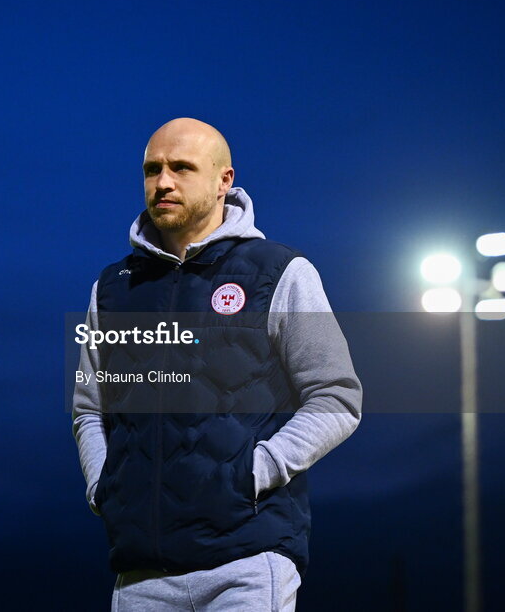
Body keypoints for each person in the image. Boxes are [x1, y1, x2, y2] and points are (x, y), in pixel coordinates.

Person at [71, 117, 362, 611]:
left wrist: (253, 471)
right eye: (152, 169)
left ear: (225, 180)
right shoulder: (113, 287)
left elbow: (337, 397)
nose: (163, 182)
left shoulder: (280, 272)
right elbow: (88, 409)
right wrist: (105, 485)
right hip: (141, 571)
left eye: (181, 168)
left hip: (247, 561)